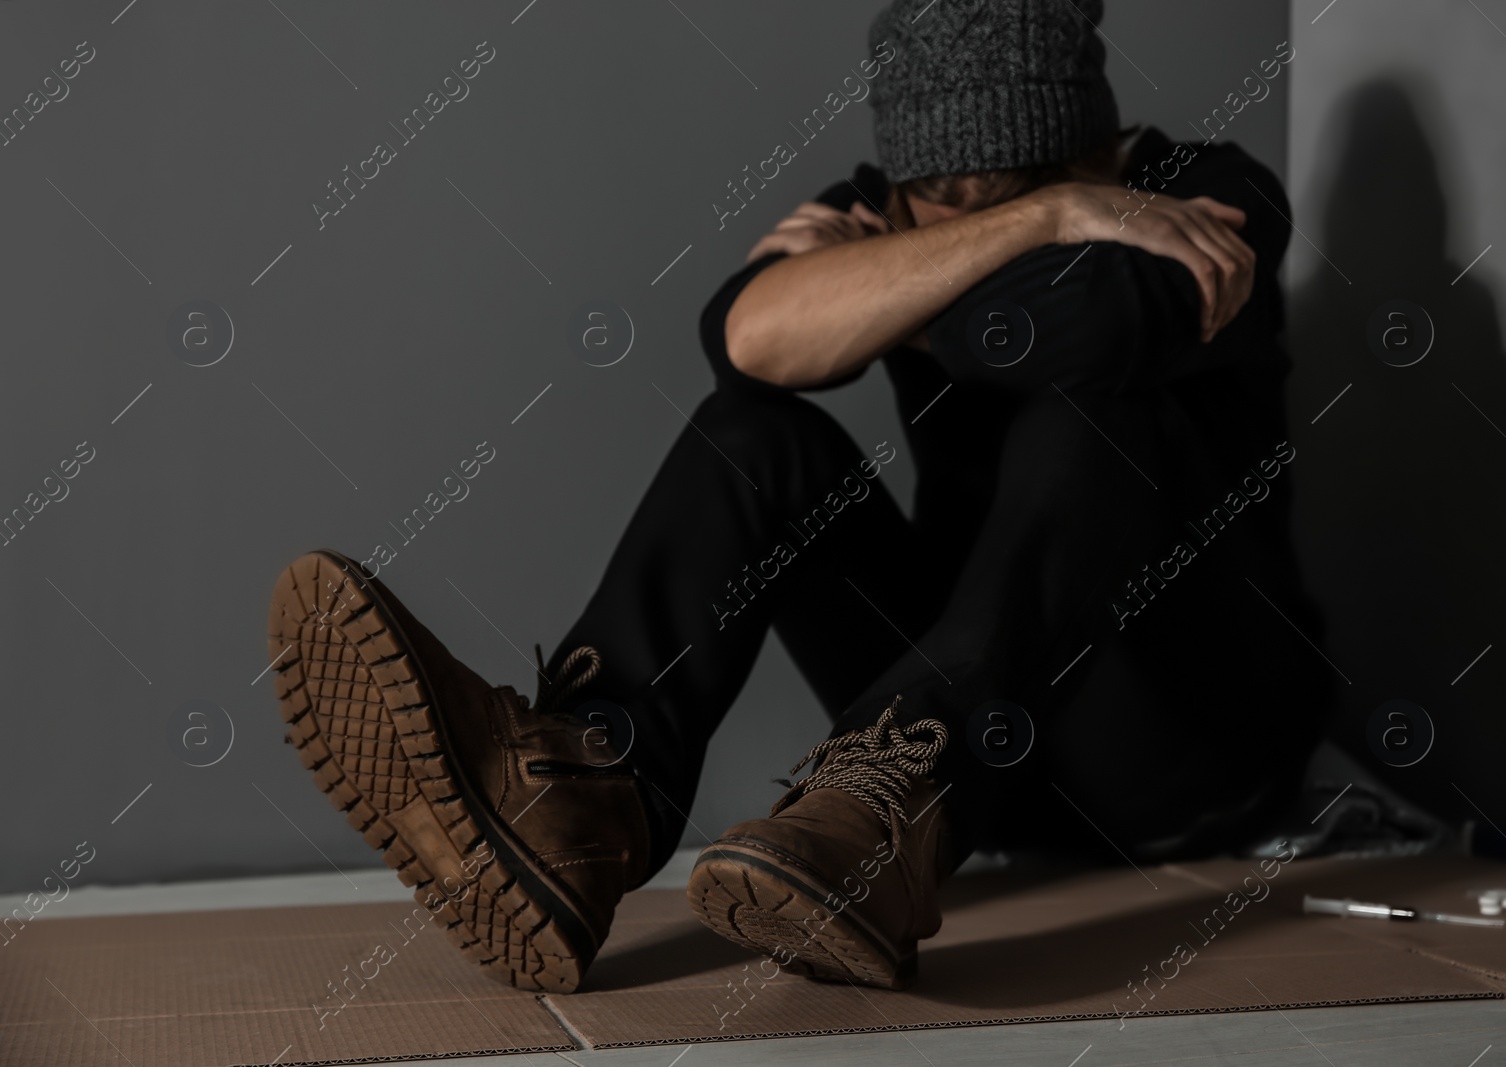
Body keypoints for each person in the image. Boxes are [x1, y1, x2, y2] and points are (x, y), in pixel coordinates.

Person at [265, 0, 1336, 996]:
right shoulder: (959, 203)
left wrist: (888, 284)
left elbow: (1089, 328)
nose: (961, 210)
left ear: (1101, 147)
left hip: (1178, 747)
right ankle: (580, 795)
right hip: (978, 771)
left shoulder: (1214, 195)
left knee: (1093, 411)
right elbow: (747, 339)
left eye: (1009, 186)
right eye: (937, 201)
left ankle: (882, 805)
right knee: (754, 436)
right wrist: (1044, 220)